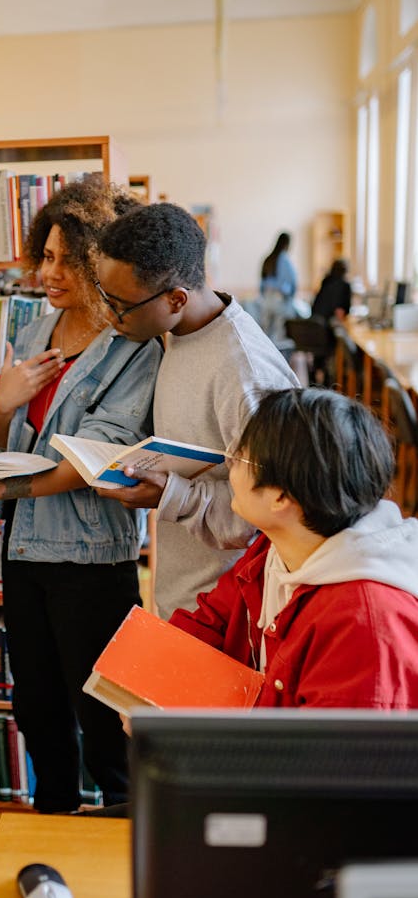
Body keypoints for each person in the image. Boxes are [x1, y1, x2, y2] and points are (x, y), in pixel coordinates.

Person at [0, 178, 162, 813]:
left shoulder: (133, 343)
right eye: (46, 256)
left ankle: (119, 829)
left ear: (101, 264)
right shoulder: (32, 332)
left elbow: (94, 461)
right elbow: (1, 435)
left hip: (90, 555)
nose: (48, 273)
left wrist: (1, 483)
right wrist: (2, 404)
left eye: (67, 260)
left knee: (102, 713)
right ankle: (51, 815)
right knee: (37, 703)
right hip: (23, 545)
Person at [94, 201, 299, 617]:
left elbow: (276, 508)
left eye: (121, 305)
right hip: (187, 597)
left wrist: (171, 495)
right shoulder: (181, 331)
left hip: (232, 613)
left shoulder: (246, 374)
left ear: (175, 299)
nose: (111, 317)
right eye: (105, 298)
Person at [168, 388, 418, 707]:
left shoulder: (364, 625)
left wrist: (176, 733)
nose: (229, 465)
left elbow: (329, 755)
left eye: (240, 457)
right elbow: (210, 622)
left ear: (281, 497)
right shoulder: (278, 547)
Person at [259, 230, 297, 343]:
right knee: (279, 335)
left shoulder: (268, 259)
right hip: (280, 300)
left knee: (265, 334)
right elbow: (293, 282)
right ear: (287, 244)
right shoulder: (285, 260)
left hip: (266, 300)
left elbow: (262, 284)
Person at [311, 257, 351, 322]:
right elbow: (343, 311)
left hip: (315, 319)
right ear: (345, 271)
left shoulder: (326, 281)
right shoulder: (345, 285)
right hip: (328, 322)